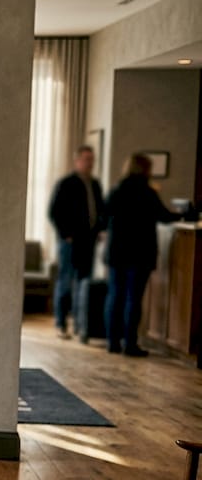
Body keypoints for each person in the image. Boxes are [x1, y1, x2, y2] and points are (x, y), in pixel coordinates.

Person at [103, 153, 185, 357]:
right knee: (134, 298)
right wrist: (183, 214)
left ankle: (112, 342)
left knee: (115, 295)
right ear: (145, 170)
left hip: (117, 252)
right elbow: (164, 217)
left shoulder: (117, 191)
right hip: (140, 254)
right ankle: (130, 344)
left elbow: (104, 218)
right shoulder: (147, 193)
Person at [47, 145, 104, 341]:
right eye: (86, 159)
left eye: (92, 159)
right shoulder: (66, 183)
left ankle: (81, 326)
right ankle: (61, 323)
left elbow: (99, 211)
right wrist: (66, 234)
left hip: (89, 242)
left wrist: (101, 230)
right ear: (77, 161)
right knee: (66, 282)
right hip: (70, 241)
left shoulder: (95, 184)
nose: (90, 163)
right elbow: (54, 212)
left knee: (84, 284)